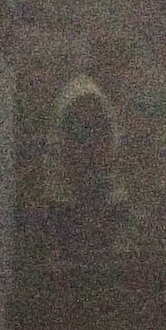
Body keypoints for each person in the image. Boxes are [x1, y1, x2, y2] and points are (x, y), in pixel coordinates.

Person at [39, 33, 130, 260]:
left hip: (77, 209)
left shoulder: (83, 93)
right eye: (123, 67)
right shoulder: (87, 100)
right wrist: (92, 221)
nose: (126, 76)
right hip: (82, 211)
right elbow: (85, 164)